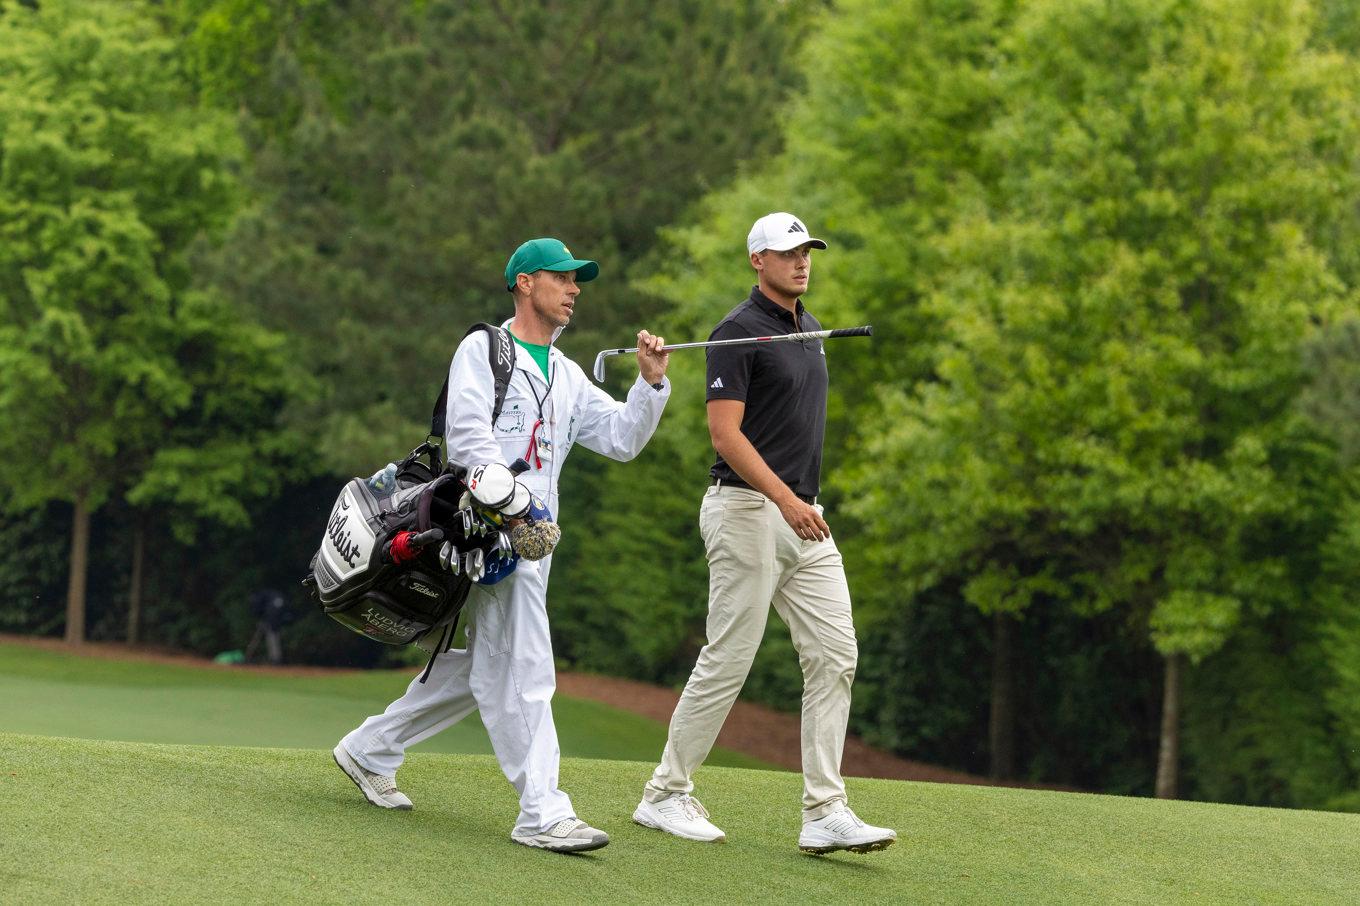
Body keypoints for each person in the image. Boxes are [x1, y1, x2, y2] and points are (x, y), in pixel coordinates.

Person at [333, 238, 670, 853]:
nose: (574, 289)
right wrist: (515, 508)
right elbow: (467, 443)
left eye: (578, 281)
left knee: (485, 668)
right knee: (526, 669)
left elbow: (622, 438)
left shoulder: (566, 376)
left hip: (534, 547)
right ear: (523, 282)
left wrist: (650, 387)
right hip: (481, 536)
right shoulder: (485, 348)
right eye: (561, 277)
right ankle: (543, 811)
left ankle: (368, 750)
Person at [633, 212, 896, 855]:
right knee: (729, 658)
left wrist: (797, 504)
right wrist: (785, 500)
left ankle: (824, 811)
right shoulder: (735, 332)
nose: (801, 261)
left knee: (836, 655)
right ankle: (664, 794)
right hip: (748, 510)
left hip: (804, 515)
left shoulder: (808, 328)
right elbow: (726, 435)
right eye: (787, 253)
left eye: (807, 251)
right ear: (758, 260)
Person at [245, 588, 292, 665]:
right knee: (273, 635)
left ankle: (275, 659)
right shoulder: (272, 595)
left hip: (273, 618)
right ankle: (276, 658)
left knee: (272, 635)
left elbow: (257, 610)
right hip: (277, 618)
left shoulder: (259, 597)